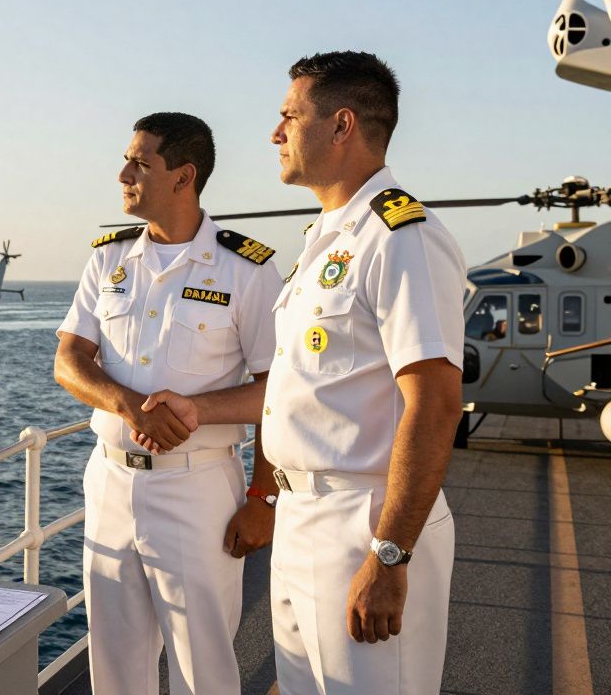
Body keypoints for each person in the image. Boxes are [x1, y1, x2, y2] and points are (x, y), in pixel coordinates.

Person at [140, 52, 466, 694]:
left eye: (290, 115)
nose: (275, 132)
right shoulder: (328, 240)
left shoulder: (400, 236)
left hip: (363, 522)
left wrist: (391, 554)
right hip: (298, 516)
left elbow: (435, 402)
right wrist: (200, 408)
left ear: (341, 125)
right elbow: (300, 389)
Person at [54, 112, 283, 695]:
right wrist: (131, 406)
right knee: (114, 665)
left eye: (140, 162)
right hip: (109, 485)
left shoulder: (246, 269)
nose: (123, 172)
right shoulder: (109, 259)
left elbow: (278, 395)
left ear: (183, 177)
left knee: (201, 669)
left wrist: (263, 497)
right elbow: (69, 361)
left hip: (197, 489)